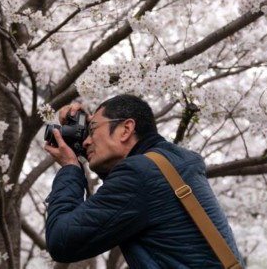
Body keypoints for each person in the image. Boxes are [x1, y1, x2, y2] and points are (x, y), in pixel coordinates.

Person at [44, 94, 244, 268]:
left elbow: (61, 242)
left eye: (93, 130)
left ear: (126, 129)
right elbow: (126, 191)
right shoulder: (170, 164)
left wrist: (70, 166)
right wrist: (93, 133)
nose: (87, 140)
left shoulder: (140, 176)